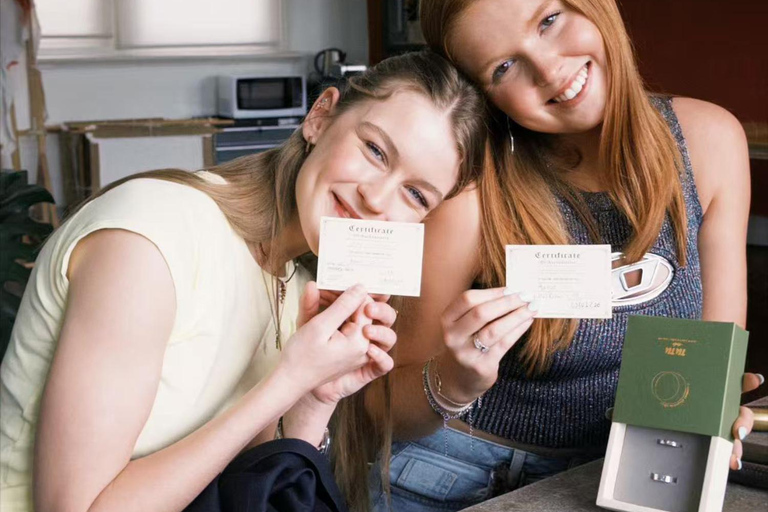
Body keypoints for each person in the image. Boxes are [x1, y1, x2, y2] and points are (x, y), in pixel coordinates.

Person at [0, 51, 489, 512]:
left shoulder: (299, 285)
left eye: (416, 195)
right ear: (320, 117)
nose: (377, 198)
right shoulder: (150, 235)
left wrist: (315, 396)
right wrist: (287, 381)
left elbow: (247, 484)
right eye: (375, 150)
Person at [367, 1, 762, 510]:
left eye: (550, 21)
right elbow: (380, 408)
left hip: (629, 471)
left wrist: (716, 409)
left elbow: (714, 356)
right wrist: (453, 379)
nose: (551, 70)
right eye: (504, 67)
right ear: (487, 97)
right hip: (455, 473)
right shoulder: (471, 187)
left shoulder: (709, 142)